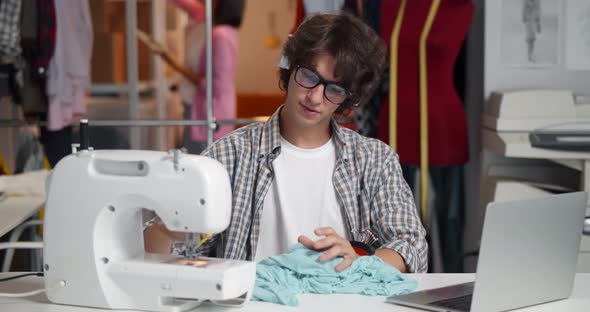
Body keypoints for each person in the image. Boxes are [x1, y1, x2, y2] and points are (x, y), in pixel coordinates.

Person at [194, 13, 428, 273]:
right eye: (309, 76)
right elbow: (177, 251)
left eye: (335, 89)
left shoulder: (374, 160)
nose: (315, 97)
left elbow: (412, 246)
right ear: (289, 66)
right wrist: (167, 225)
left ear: (348, 101)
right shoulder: (229, 156)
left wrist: (361, 262)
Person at [171, 0, 244, 154]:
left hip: (211, 111)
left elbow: (216, 86)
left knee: (201, 165)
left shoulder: (220, 35)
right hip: (215, 110)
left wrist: (179, 67)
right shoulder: (225, 32)